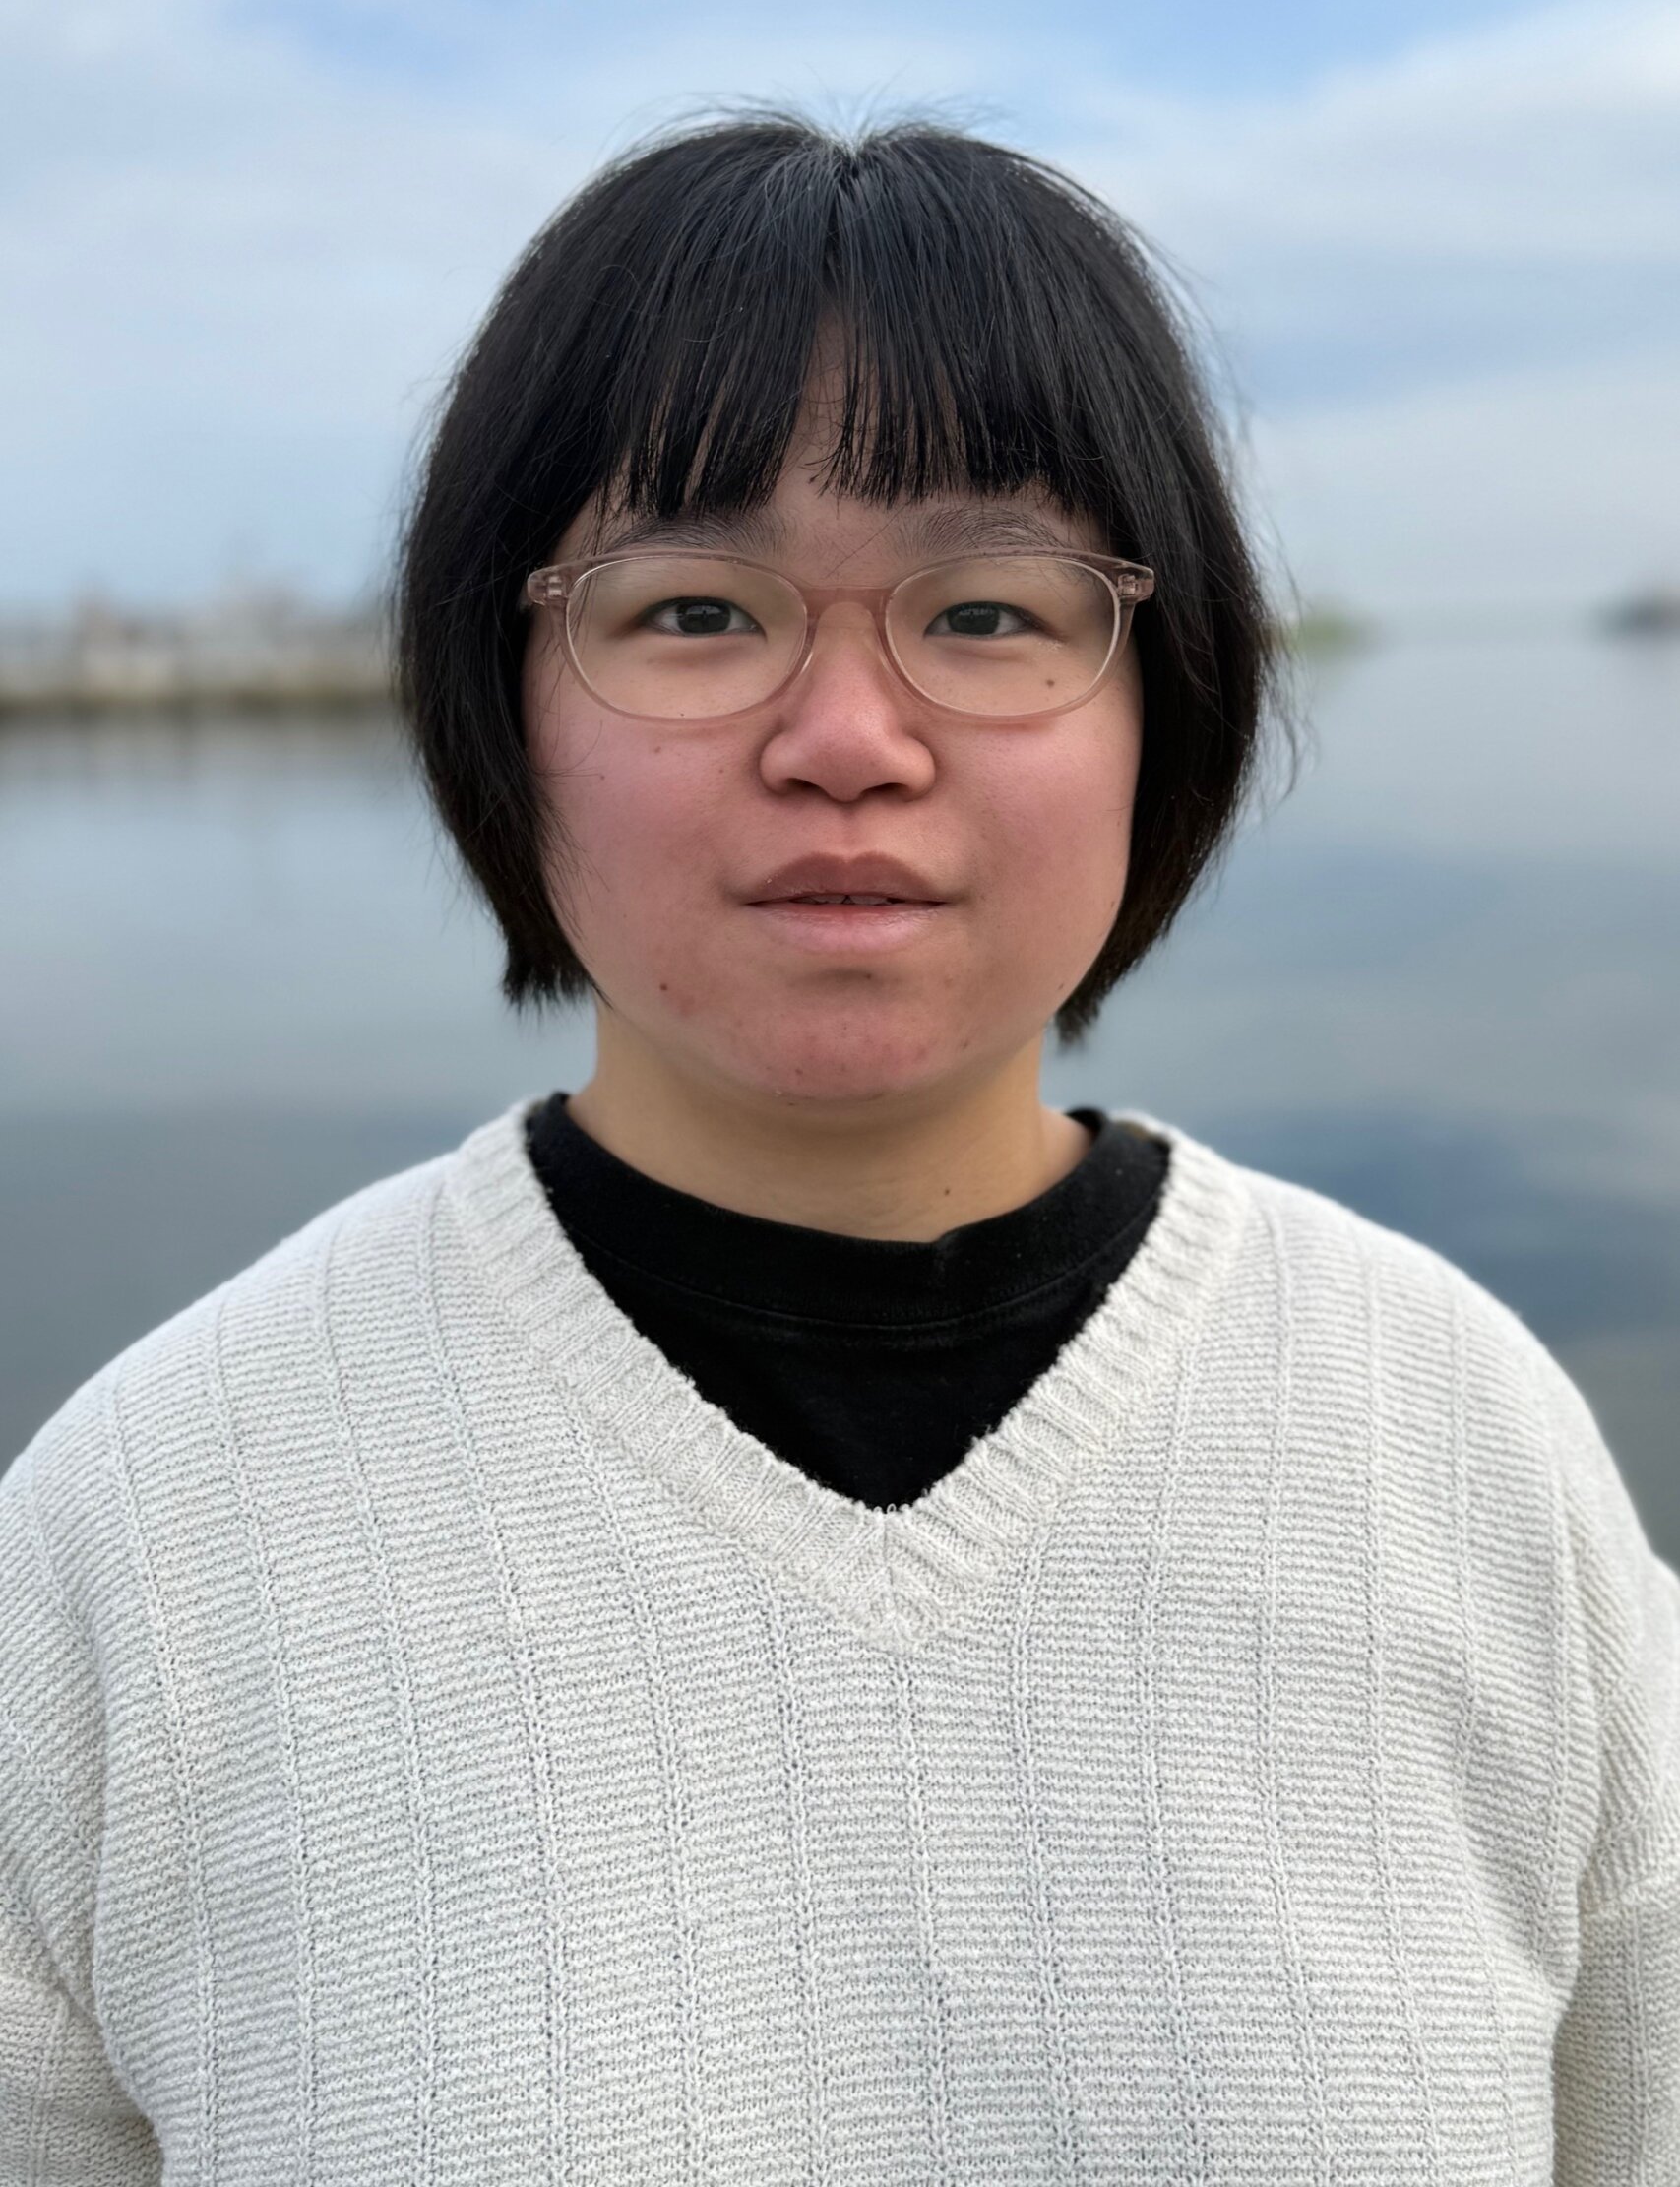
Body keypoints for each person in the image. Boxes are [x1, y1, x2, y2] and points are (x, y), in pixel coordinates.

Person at [2, 112, 1675, 2182]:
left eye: (987, 612)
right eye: (696, 609)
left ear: (1159, 699)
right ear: (499, 695)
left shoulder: (1457, 1442)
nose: (848, 740)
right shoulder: (144, 1529)